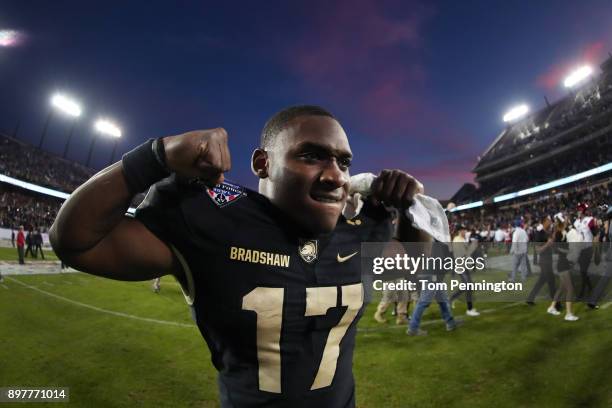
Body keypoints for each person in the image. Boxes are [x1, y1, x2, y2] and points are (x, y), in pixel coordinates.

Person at [50, 105, 428, 407]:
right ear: (263, 163)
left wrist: (412, 209)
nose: (335, 176)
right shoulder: (216, 215)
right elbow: (77, 242)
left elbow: (415, 269)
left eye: (343, 162)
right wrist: (155, 156)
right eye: (312, 156)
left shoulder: (359, 229)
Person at [547, 213, 579, 321]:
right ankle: (568, 314)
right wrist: (568, 251)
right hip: (563, 263)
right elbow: (556, 248)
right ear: (562, 221)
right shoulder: (559, 233)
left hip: (562, 262)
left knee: (561, 287)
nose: (567, 220)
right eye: (565, 219)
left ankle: (552, 307)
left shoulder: (561, 232)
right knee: (570, 289)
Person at [526, 216, 557, 307]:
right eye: (548, 220)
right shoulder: (539, 233)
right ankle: (556, 305)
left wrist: (555, 230)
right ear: (544, 222)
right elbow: (538, 250)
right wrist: (547, 244)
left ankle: (530, 298)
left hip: (548, 259)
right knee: (552, 282)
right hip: (544, 261)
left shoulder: (547, 232)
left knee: (542, 280)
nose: (550, 221)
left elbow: (552, 241)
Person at [450, 225, 480, 316]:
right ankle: (469, 309)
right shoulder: (458, 240)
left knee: (466, 286)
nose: (465, 232)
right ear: (460, 231)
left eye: (465, 230)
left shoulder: (460, 239)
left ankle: (451, 299)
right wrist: (473, 246)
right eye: (463, 230)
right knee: (468, 286)